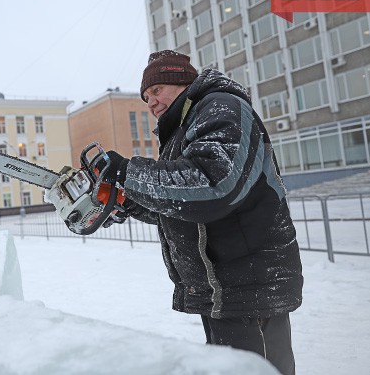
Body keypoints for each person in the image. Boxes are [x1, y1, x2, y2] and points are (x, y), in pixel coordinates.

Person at [98, 50, 303, 375]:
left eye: (157, 90)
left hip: (251, 286)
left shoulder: (222, 107)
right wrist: (125, 200)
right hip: (223, 287)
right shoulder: (185, 128)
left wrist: (127, 171)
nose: (150, 102)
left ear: (183, 82)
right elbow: (183, 207)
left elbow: (213, 185)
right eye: (146, 96)